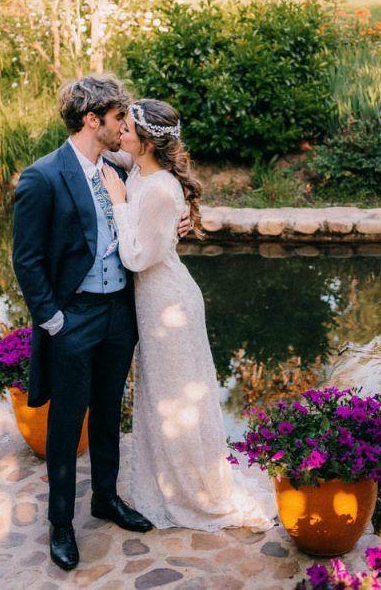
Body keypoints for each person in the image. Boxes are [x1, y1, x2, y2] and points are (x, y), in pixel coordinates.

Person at [11, 76, 191, 571]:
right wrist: (53, 321)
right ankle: (61, 523)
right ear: (93, 120)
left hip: (119, 314)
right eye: (117, 119)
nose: (123, 127)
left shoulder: (118, 166)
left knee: (110, 410)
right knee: (68, 422)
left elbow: (165, 185)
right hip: (74, 318)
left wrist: (183, 217)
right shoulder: (43, 176)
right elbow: (26, 260)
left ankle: (106, 498)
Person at [100, 98, 276, 532]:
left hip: (168, 303)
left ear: (146, 142)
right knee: (162, 395)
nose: (120, 132)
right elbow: (107, 150)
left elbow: (136, 257)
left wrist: (119, 203)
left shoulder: (159, 188)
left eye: (127, 128)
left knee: (177, 401)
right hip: (155, 302)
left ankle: (194, 493)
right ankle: (170, 483)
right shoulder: (141, 166)